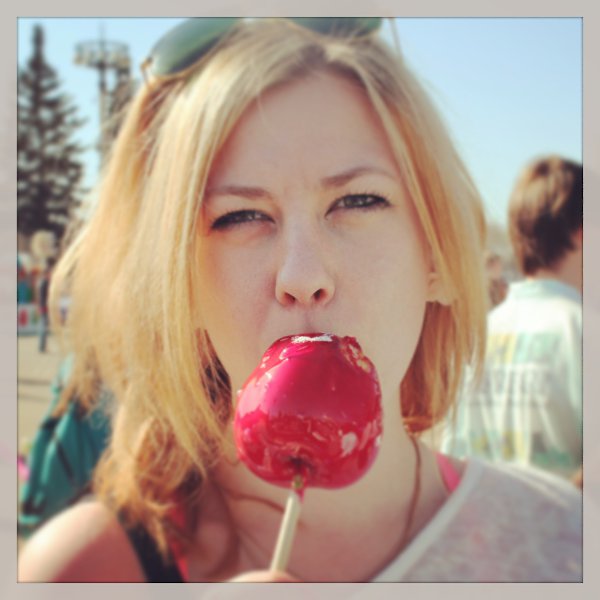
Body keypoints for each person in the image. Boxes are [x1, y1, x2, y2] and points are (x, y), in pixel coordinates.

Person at [18, 18, 581, 583]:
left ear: (436, 255)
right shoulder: (83, 571)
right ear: (181, 285)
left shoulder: (567, 543)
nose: (302, 275)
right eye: (240, 216)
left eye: (358, 201)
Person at [441, 156, 582, 481]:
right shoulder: (581, 329)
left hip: (481, 512)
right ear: (582, 234)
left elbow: (450, 466)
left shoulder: (480, 337)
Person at [36, 257, 54, 352]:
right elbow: (43, 297)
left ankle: (42, 346)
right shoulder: (44, 283)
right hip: (44, 307)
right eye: (49, 274)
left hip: (43, 307)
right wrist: (45, 306)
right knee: (43, 328)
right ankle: (42, 347)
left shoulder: (43, 282)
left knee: (44, 327)